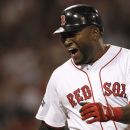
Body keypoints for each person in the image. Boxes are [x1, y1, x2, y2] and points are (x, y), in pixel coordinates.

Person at [36, 4, 130, 130]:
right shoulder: (59, 76)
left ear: (95, 33)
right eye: (64, 36)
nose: (66, 41)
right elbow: (49, 125)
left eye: (72, 33)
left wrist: (111, 112)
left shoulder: (126, 60)